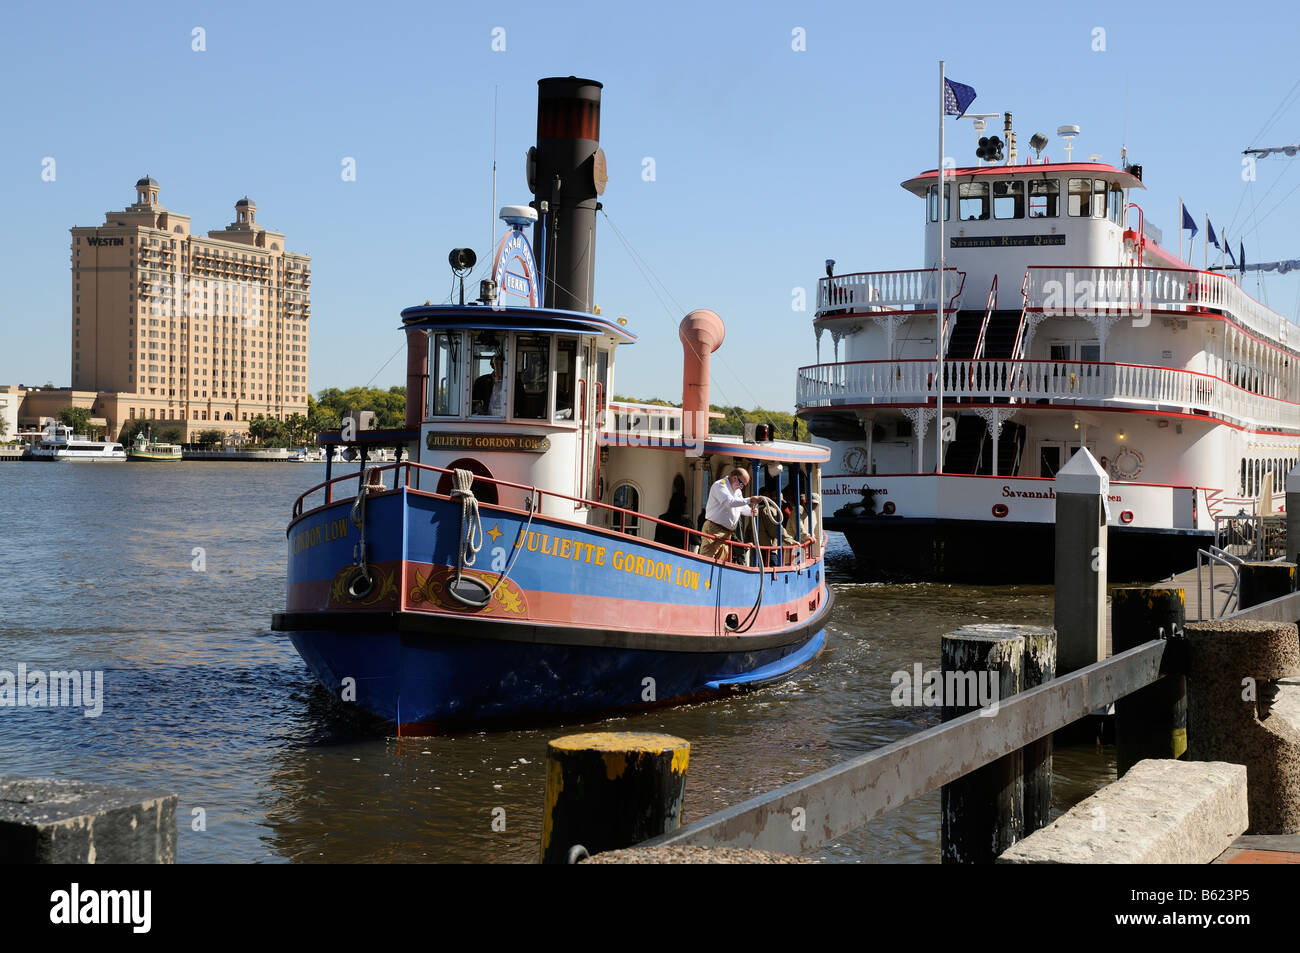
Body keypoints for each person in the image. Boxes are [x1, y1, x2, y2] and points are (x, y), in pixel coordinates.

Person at [699, 467, 761, 560]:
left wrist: (751, 512)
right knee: (707, 559)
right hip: (714, 529)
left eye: (743, 485)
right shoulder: (720, 485)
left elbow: (741, 508)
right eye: (741, 483)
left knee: (719, 562)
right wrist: (750, 500)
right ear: (734, 477)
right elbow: (729, 502)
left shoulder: (737, 491)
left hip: (727, 533)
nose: (741, 487)